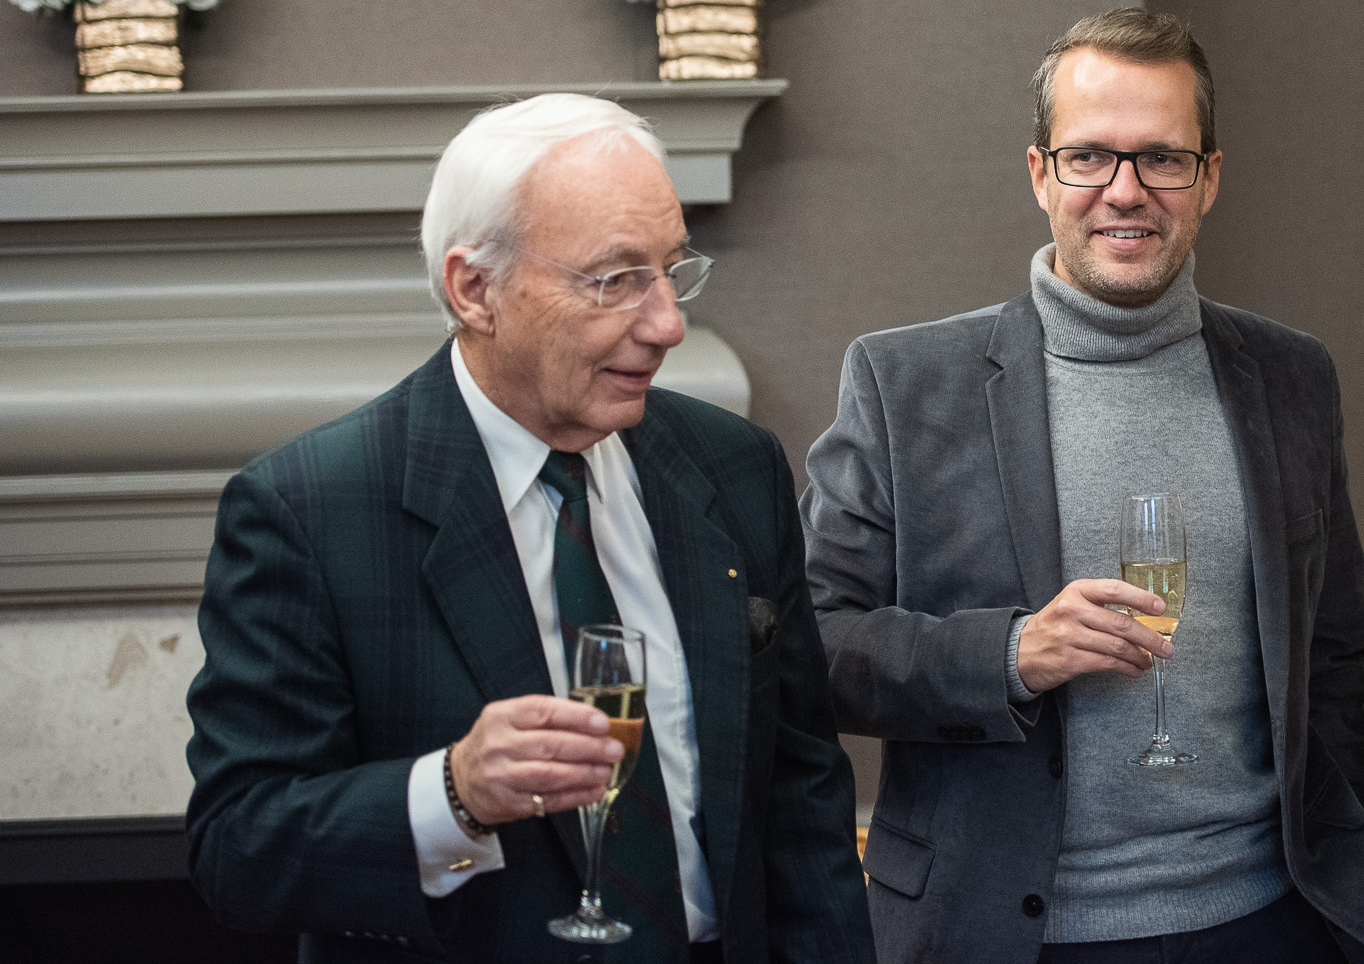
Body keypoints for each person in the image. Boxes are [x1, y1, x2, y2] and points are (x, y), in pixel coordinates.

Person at [185, 94, 872, 963]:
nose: (667, 323)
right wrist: (453, 793)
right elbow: (239, 848)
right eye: (614, 279)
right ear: (475, 289)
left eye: (671, 269)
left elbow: (800, 794)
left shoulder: (733, 467)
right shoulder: (310, 510)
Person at [801, 9, 1364, 964]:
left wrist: (1354, 872)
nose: (1125, 192)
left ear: (1209, 176)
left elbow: (1330, 659)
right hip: (1004, 934)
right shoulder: (903, 381)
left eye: (1162, 158)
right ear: (1041, 172)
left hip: (1268, 924)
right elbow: (814, 644)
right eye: (1090, 157)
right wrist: (1010, 653)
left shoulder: (1294, 376)